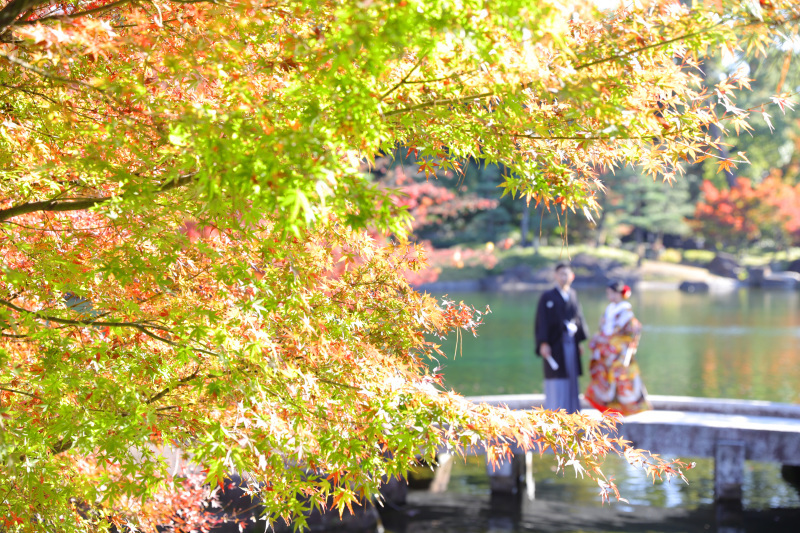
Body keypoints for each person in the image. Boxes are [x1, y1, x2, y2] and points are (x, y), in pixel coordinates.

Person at [584, 280, 652, 415]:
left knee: (621, 378)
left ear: (619, 294)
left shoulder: (626, 311)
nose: (610, 297)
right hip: (607, 350)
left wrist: (622, 345)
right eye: (608, 294)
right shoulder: (610, 309)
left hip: (619, 351)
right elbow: (604, 328)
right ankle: (610, 409)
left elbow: (632, 332)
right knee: (605, 378)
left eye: (612, 294)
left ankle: (625, 409)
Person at [534, 262, 589, 413]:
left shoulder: (572, 294)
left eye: (567, 274)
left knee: (571, 376)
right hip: (555, 343)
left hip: (571, 341)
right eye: (561, 274)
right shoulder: (547, 297)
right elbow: (542, 321)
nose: (564, 277)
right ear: (556, 276)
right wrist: (543, 342)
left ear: (572, 276)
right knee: (556, 377)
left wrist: (579, 341)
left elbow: (578, 318)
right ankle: (555, 412)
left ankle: (572, 412)